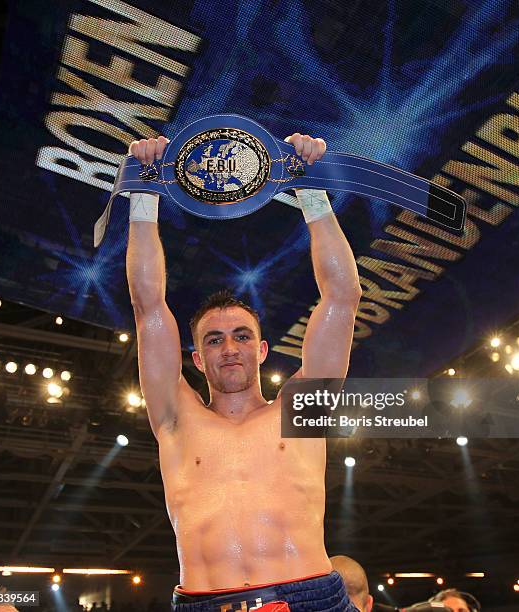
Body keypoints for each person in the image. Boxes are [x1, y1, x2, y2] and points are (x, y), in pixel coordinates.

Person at [127, 133, 361, 610]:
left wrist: (310, 189)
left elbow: (343, 296)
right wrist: (143, 193)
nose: (229, 347)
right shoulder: (175, 417)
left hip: (309, 596)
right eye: (213, 340)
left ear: (262, 350)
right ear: (196, 358)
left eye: (241, 336)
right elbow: (148, 307)